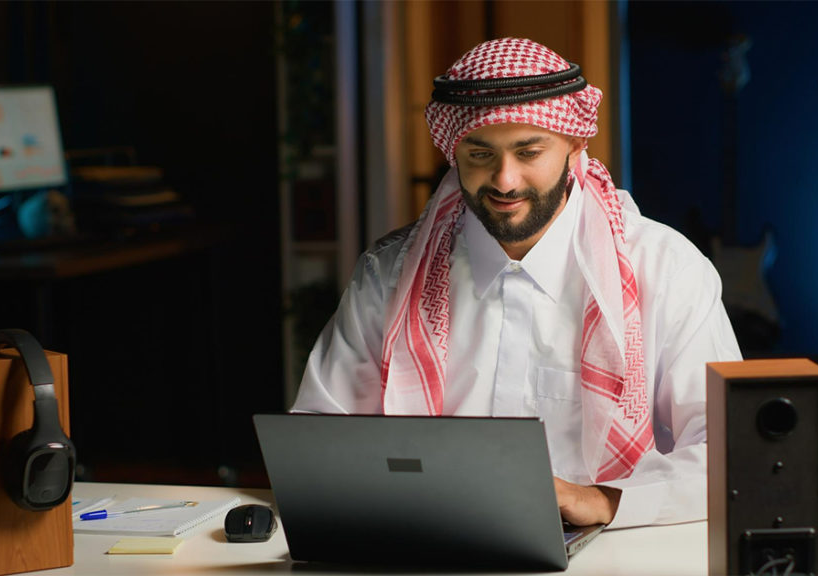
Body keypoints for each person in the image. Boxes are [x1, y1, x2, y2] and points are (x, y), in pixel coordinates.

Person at [292, 37, 742, 529]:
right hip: (429, 545)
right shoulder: (388, 275)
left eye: (529, 152)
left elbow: (731, 453)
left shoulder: (667, 270)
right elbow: (319, 441)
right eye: (480, 154)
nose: (505, 180)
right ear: (454, 151)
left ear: (575, 146)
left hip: (613, 549)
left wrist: (602, 501)